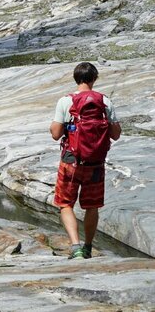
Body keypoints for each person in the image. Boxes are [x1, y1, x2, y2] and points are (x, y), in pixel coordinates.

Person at [50, 62, 120, 259]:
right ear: (94, 78)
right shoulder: (105, 101)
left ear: (76, 78)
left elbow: (56, 134)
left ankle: (76, 247)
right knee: (92, 206)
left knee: (65, 204)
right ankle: (88, 246)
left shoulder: (66, 101)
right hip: (96, 163)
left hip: (71, 161)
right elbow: (116, 134)